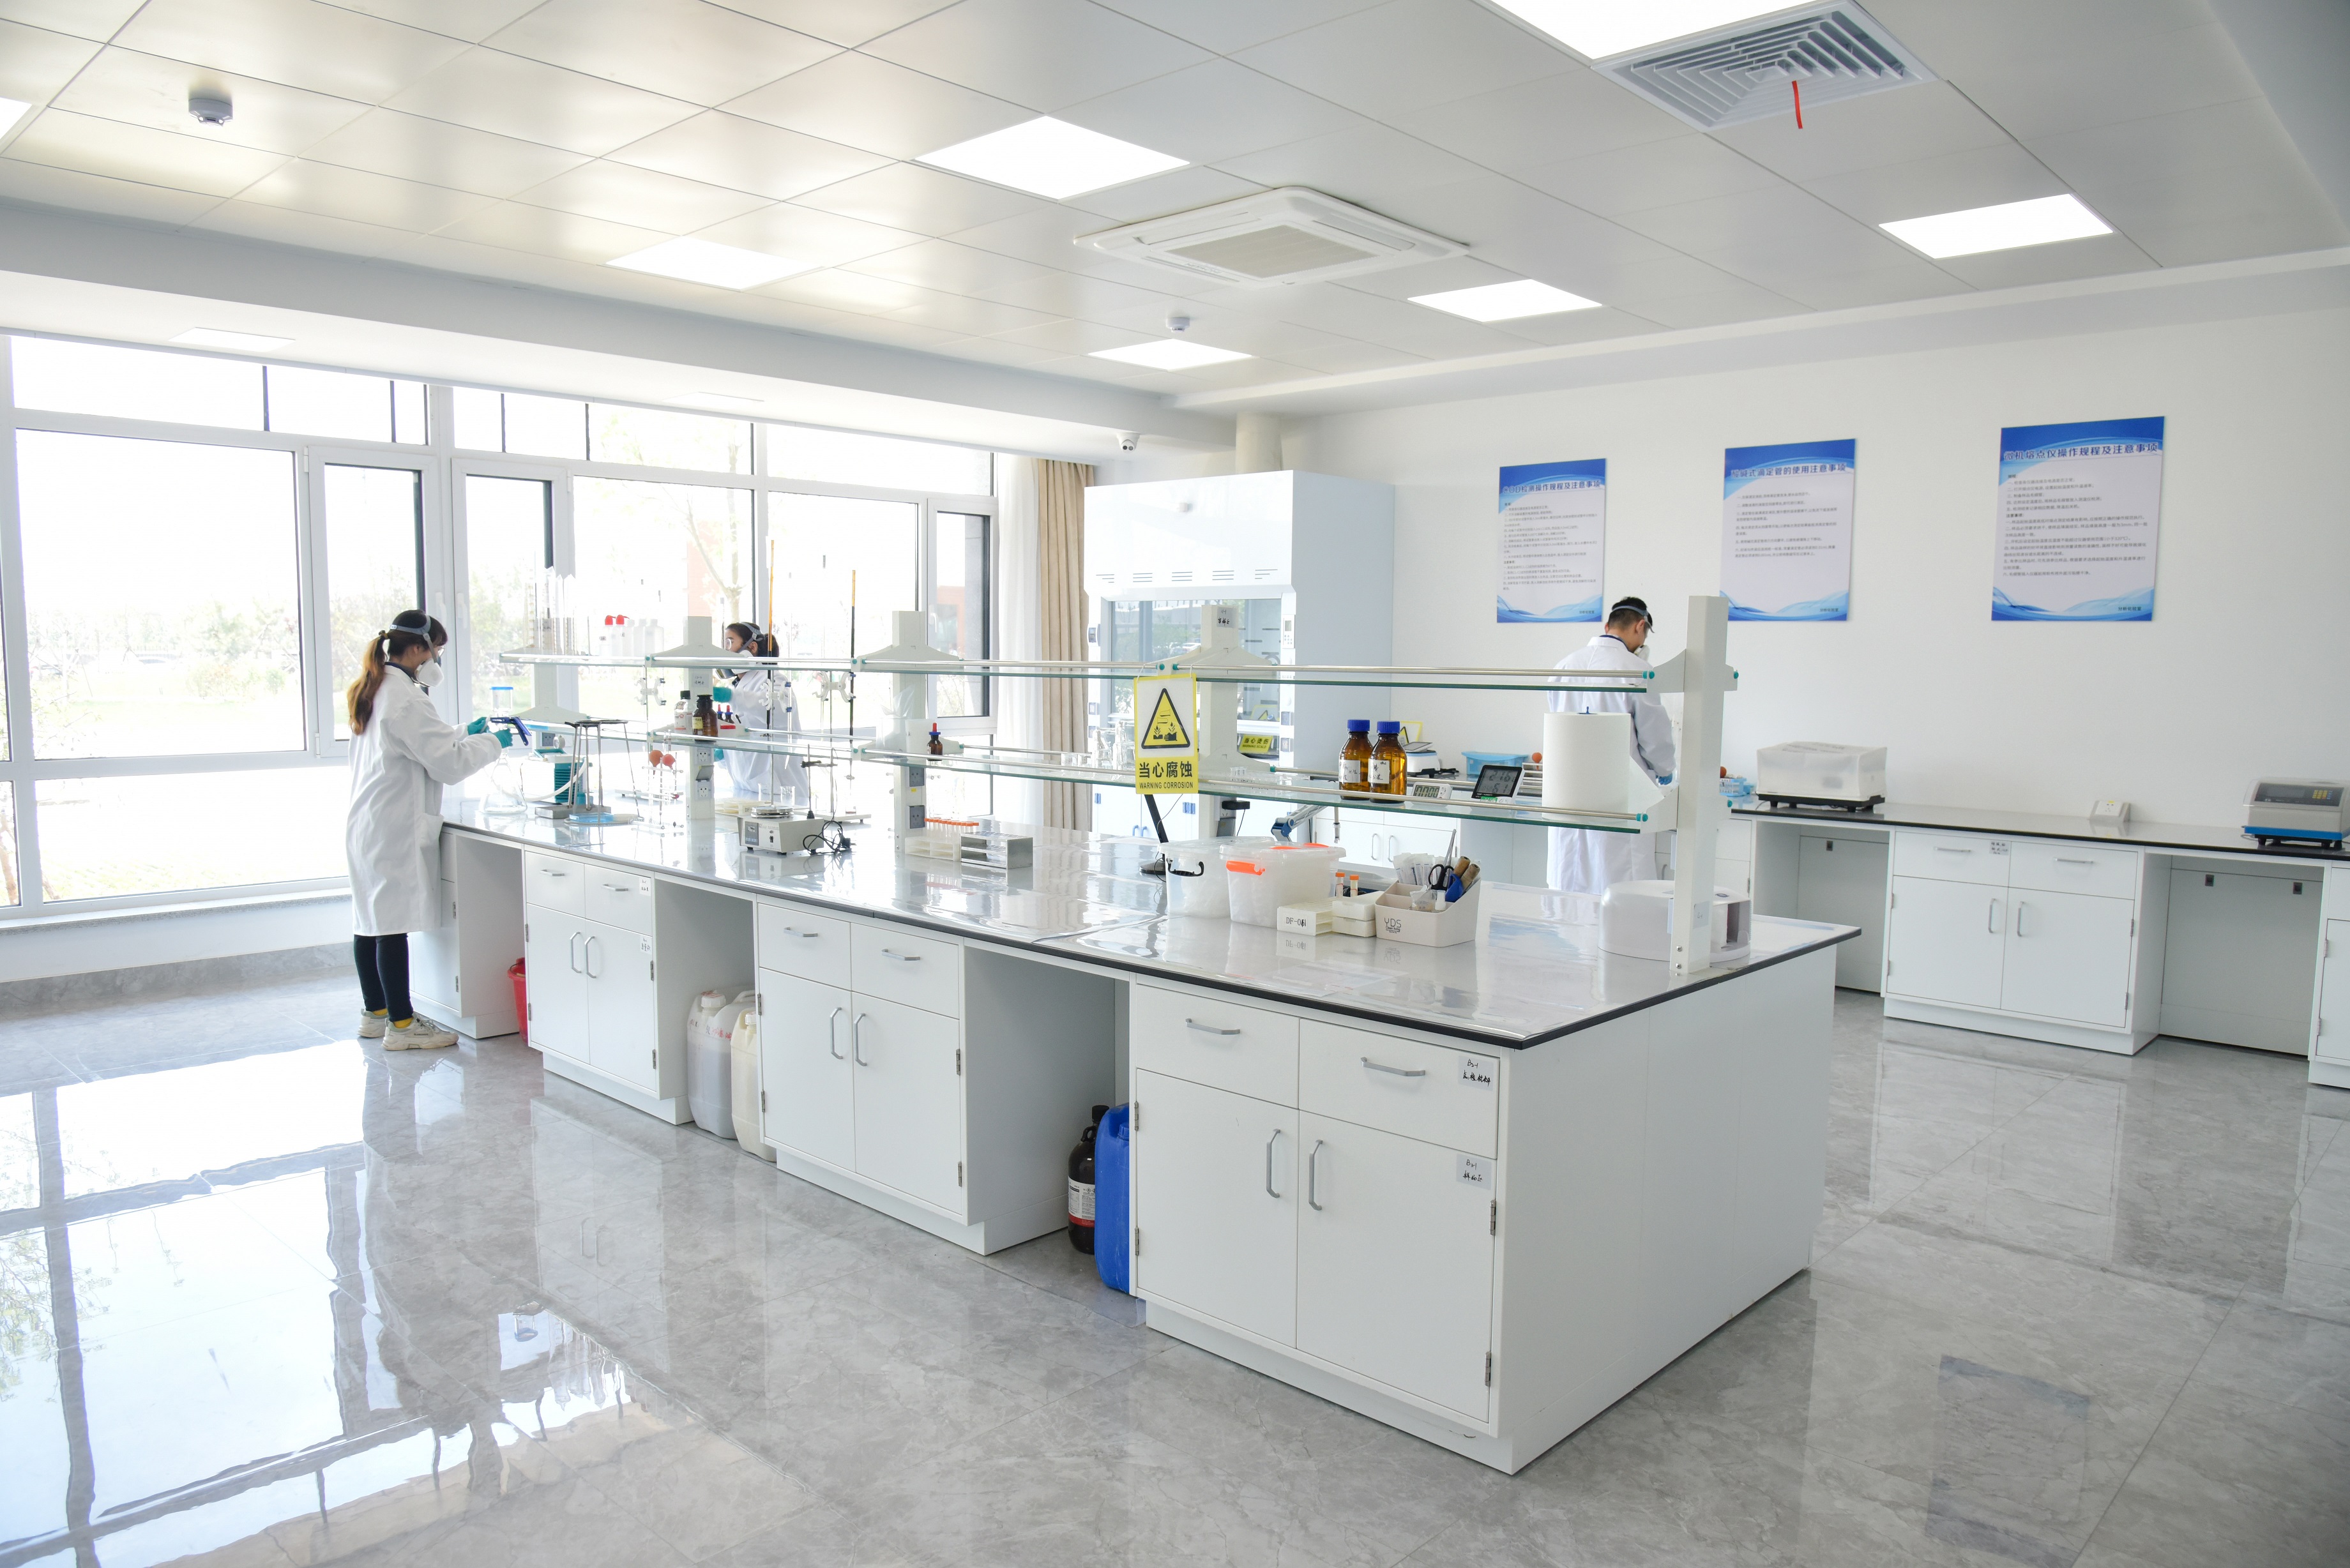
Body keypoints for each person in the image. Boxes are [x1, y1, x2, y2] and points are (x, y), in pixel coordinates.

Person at [345, 610, 514, 1050]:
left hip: (368, 822)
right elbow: (449, 764)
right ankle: (403, 1026)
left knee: (370, 921)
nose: (436, 659)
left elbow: (416, 743)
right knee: (389, 926)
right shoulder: (406, 698)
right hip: (393, 826)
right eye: (437, 650)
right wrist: (494, 743)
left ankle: (375, 1012)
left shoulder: (378, 686)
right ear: (419, 648)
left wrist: (462, 731)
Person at [1548, 596, 1676, 895]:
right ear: (1640, 626)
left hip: (1568, 793)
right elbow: (1654, 737)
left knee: (1570, 885)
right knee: (1620, 890)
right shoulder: (1636, 669)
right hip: (1620, 796)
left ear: (1607, 626)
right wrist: (1665, 769)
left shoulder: (1564, 666)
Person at [722, 621, 807, 806]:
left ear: (752, 647)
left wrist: (732, 697)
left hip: (781, 790)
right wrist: (723, 755)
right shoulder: (739, 686)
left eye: (730, 643)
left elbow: (774, 711)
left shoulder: (774, 679)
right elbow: (744, 733)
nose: (725, 651)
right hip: (747, 789)